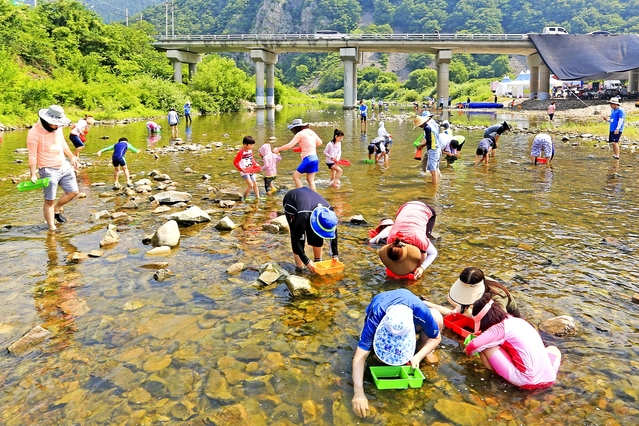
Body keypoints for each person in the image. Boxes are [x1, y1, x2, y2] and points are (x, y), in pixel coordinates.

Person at [351, 288, 443, 418]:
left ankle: (420, 350)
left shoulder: (422, 313)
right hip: (381, 303)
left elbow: (436, 337)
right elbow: (360, 357)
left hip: (413, 310)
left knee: (437, 319)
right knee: (371, 351)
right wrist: (358, 392)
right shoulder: (375, 318)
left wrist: (418, 356)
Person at [464, 293, 562, 389]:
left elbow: (474, 344)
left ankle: (496, 375)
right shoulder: (517, 321)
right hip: (550, 377)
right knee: (553, 349)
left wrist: (466, 352)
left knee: (486, 347)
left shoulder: (499, 329)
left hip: (527, 382)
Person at [26, 105, 79, 231]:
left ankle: (56, 209)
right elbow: (32, 156)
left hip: (64, 165)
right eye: (54, 124)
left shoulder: (58, 128)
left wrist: (71, 157)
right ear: (45, 120)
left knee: (73, 192)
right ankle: (52, 229)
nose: (57, 126)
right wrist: (33, 174)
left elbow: (63, 143)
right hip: (48, 169)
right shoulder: (33, 133)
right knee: (49, 200)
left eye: (58, 124)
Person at [424, 267, 521, 317]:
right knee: (451, 303)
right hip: (482, 306)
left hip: (502, 316)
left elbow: (502, 322)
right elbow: (451, 297)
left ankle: (424, 303)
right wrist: (459, 308)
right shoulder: (477, 280)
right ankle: (424, 303)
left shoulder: (498, 297)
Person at [282, 187, 339, 273]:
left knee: (317, 235)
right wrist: (306, 261)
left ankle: (317, 262)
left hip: (308, 200)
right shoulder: (303, 216)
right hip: (291, 202)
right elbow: (295, 239)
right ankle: (299, 269)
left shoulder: (330, 212)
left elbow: (334, 234)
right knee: (299, 237)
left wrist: (335, 255)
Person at [378, 201, 438, 280]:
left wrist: (422, 267)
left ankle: (416, 273)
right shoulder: (391, 238)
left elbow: (433, 253)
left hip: (425, 210)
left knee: (423, 251)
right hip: (405, 207)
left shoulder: (419, 238)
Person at [274, 119, 323, 191]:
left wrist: (278, 149)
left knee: (296, 177)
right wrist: (305, 147)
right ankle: (314, 196)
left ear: (296, 128)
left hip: (308, 159)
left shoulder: (299, 134)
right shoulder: (310, 131)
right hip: (315, 158)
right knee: (310, 180)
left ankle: (300, 195)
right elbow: (319, 143)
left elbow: (289, 145)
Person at [413, 113, 441, 186]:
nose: (419, 127)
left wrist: (421, 145)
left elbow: (429, 141)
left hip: (433, 149)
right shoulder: (432, 125)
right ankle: (435, 182)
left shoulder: (427, 128)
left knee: (432, 171)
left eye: (418, 125)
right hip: (437, 148)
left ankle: (434, 187)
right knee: (435, 168)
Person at [233, 136, 261, 200]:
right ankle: (245, 198)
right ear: (245, 145)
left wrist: (256, 164)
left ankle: (258, 198)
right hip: (244, 171)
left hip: (250, 169)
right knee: (250, 185)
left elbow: (251, 159)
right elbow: (235, 162)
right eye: (250, 145)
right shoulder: (241, 152)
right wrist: (241, 169)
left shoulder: (250, 150)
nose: (252, 146)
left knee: (255, 184)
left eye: (252, 145)